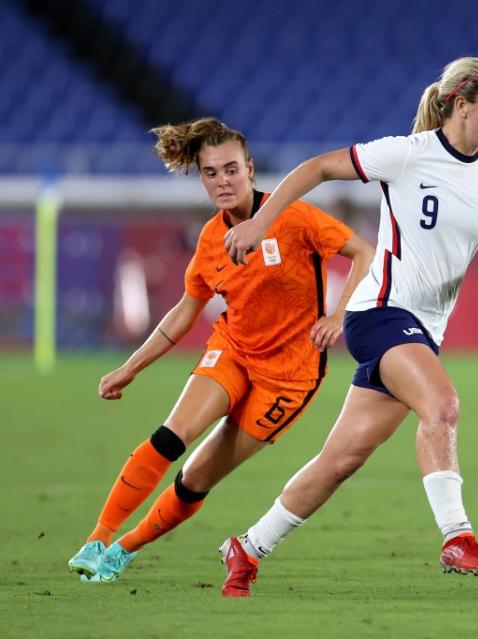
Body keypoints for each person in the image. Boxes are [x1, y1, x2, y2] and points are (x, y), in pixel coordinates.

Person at [219, 56, 478, 597]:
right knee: (442, 406)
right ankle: (457, 534)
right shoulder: (406, 153)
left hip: (423, 333)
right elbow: (318, 168)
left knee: (340, 461)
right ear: (462, 104)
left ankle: (247, 548)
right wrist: (261, 220)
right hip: (379, 313)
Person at [66, 117, 374, 581]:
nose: (222, 181)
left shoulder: (292, 216)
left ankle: (124, 550)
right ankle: (97, 539)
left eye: (231, 169)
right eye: (211, 173)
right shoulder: (210, 240)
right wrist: (131, 367)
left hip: (289, 377)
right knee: (171, 435)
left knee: (196, 477)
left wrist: (337, 316)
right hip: (232, 351)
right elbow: (185, 312)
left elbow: (364, 253)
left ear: (250, 169)